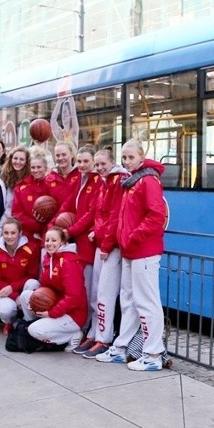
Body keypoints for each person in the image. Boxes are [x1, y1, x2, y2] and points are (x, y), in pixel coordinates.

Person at [96, 139, 168, 371]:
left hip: (143, 252)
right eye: (124, 157)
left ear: (141, 156)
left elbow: (156, 216)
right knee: (129, 300)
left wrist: (131, 237)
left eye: (131, 157)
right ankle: (122, 347)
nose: (127, 161)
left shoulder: (147, 181)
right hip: (131, 251)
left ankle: (153, 353)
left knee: (147, 302)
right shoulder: (132, 181)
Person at [73, 146, 128, 358]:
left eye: (102, 164)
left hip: (110, 246)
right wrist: (97, 231)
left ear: (112, 162)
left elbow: (115, 216)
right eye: (97, 165)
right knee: (96, 291)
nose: (99, 168)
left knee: (105, 293)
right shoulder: (104, 182)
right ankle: (95, 333)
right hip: (102, 243)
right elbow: (99, 213)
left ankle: (104, 339)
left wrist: (105, 243)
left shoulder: (117, 182)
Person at [17, 227, 86, 351]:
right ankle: (33, 325)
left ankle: (71, 336)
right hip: (56, 305)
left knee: (35, 330)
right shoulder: (49, 258)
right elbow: (46, 288)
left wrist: (51, 313)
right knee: (26, 296)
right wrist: (37, 302)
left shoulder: (69, 262)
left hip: (73, 315)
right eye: (47, 240)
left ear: (63, 242)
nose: (49, 243)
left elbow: (74, 297)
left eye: (54, 240)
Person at [52, 145, 99, 309]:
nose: (82, 165)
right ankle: (83, 323)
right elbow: (68, 204)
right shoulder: (80, 179)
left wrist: (69, 231)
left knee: (92, 288)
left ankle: (91, 326)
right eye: (79, 161)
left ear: (94, 162)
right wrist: (54, 227)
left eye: (86, 161)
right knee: (79, 286)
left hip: (89, 241)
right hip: (78, 240)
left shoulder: (98, 180)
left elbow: (91, 214)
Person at [0, 216, 40, 334]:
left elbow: (32, 275)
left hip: (21, 288)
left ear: (20, 233)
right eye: (6, 233)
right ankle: (10, 322)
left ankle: (27, 321)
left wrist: (13, 288)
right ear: (2, 234)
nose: (9, 236)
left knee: (33, 283)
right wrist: (14, 295)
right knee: (5, 311)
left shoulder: (31, 249)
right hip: (4, 291)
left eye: (13, 233)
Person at [11, 154, 49, 241]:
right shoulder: (21, 187)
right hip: (27, 234)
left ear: (45, 168)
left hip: (49, 234)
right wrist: (36, 225)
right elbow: (17, 213)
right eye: (33, 167)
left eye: (39, 167)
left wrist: (44, 225)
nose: (36, 170)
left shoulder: (52, 185)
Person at [0, 146, 31, 230]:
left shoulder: (30, 179)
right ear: (10, 159)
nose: (18, 162)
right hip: (6, 221)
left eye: (22, 159)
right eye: (15, 158)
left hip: (23, 223)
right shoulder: (2, 178)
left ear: (27, 162)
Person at [44, 142, 80, 206]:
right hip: (56, 216)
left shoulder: (81, 176)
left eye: (64, 154)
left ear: (71, 154)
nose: (60, 158)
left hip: (76, 215)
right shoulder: (49, 179)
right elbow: (44, 202)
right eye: (57, 155)